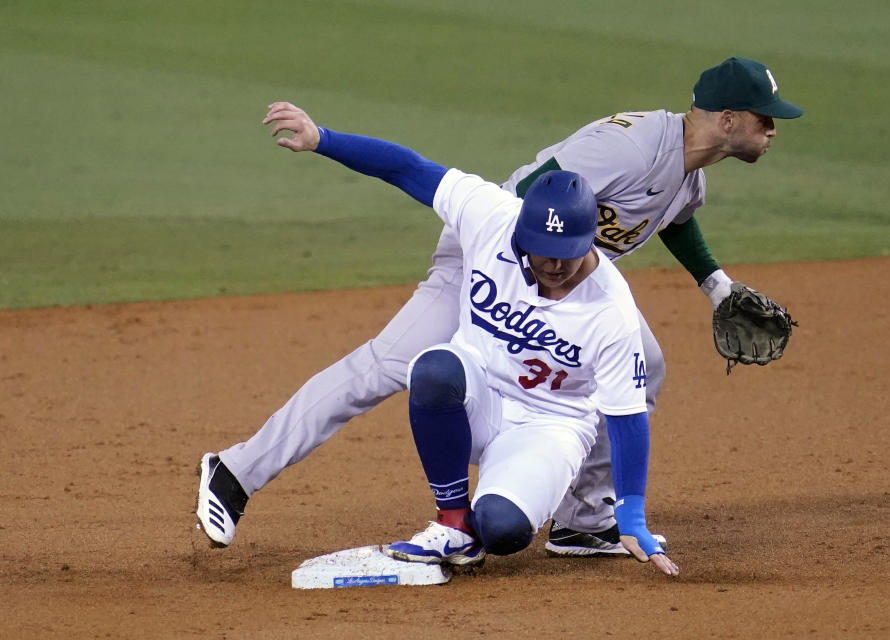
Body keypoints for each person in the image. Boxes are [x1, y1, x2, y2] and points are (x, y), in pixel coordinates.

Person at [196, 56, 802, 556]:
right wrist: (510, 281)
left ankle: (583, 522)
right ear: (727, 119)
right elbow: (536, 196)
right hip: (492, 253)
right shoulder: (634, 146)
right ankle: (235, 471)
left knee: (643, 366)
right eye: (765, 119)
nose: (774, 129)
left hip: (554, 275)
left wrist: (715, 284)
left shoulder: (690, 174)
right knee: (389, 366)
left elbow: (674, 218)